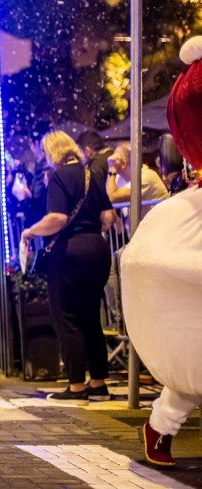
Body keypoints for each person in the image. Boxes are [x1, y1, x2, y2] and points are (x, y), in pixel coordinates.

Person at [121, 35, 202, 467]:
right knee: (190, 364)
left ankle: (160, 426)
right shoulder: (183, 211)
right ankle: (159, 427)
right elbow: (146, 261)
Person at [22, 130, 116, 405]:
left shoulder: (59, 177)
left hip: (70, 254)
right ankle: (98, 385)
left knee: (67, 320)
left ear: (52, 152)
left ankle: (76, 385)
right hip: (97, 250)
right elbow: (108, 216)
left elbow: (57, 218)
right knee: (90, 320)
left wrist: (30, 231)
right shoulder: (92, 175)